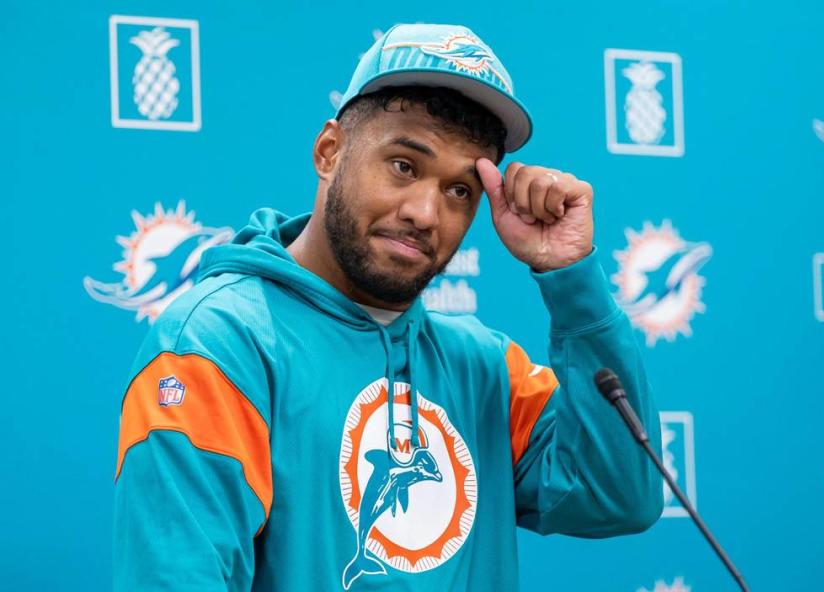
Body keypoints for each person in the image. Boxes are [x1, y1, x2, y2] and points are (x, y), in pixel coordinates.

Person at [113, 23, 663, 591]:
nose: (425, 212)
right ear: (329, 152)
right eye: (404, 165)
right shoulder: (219, 344)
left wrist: (572, 279)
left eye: (459, 191)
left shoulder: (486, 366)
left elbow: (621, 496)